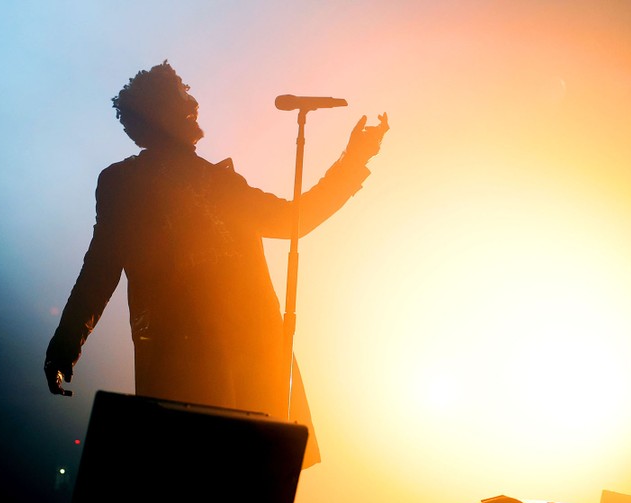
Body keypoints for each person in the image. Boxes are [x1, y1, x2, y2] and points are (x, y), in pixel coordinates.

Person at [44, 60, 387, 467]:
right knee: (199, 473)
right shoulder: (126, 181)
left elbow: (291, 221)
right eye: (183, 101)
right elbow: (101, 268)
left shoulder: (219, 182)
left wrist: (352, 160)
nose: (194, 106)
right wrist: (65, 347)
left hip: (243, 351)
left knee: (238, 479)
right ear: (162, 116)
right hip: (183, 354)